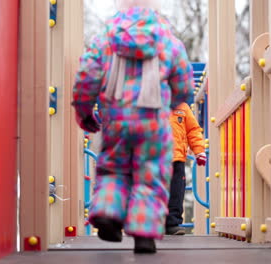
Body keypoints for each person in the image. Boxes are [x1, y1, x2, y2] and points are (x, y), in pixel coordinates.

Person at [72, 0, 193, 254]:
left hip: (116, 119)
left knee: (113, 169)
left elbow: (87, 75)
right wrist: (175, 99)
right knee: (150, 174)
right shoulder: (167, 39)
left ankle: (108, 213)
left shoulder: (106, 38)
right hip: (154, 122)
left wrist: (84, 111)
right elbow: (183, 83)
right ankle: (144, 232)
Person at [166, 103, 206, 235]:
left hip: (176, 157)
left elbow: (193, 130)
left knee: (176, 192)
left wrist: (199, 150)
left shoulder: (182, 107)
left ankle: (172, 223)